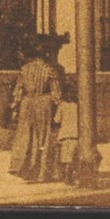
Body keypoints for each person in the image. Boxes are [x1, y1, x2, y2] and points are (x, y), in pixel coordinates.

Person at [8, 34, 64, 182]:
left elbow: (18, 92)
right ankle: (42, 173)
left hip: (27, 104)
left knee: (27, 136)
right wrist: (59, 107)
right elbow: (56, 93)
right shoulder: (49, 69)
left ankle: (27, 170)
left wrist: (15, 107)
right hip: (44, 104)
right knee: (44, 138)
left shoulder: (25, 69)